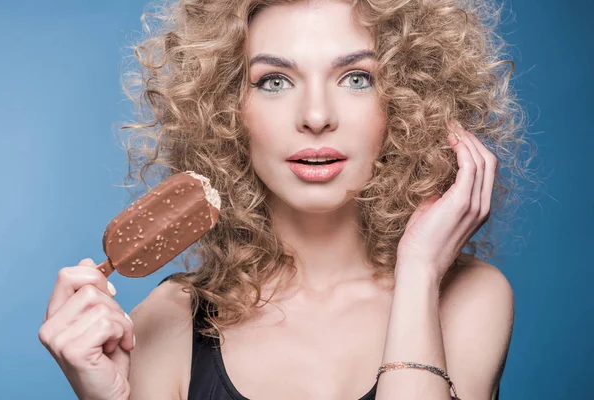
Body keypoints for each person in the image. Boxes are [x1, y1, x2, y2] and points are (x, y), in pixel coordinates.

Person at [39, 0, 531, 399]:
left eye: (357, 78)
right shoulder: (167, 317)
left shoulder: (469, 297)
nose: (316, 115)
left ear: (407, 102)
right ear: (225, 111)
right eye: (274, 81)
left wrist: (420, 270)